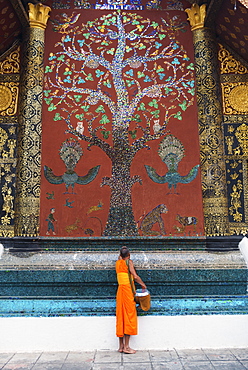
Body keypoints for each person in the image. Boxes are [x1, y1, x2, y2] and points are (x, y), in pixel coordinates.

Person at [116, 246, 147, 354]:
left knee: (121, 317)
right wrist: (143, 285)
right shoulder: (129, 262)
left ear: (120, 256)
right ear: (128, 256)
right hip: (128, 291)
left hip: (120, 291)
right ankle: (127, 347)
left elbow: (121, 257)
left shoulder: (118, 263)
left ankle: (121, 346)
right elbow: (135, 276)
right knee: (129, 316)